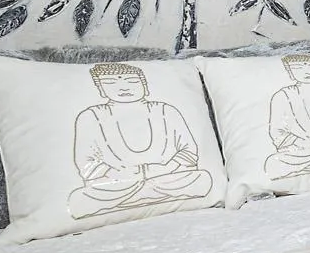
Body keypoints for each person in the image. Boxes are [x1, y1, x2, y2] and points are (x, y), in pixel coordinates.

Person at [69, 63, 214, 219]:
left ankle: (141, 197)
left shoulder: (165, 111)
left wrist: (166, 168)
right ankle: (146, 195)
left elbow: (188, 150)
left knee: (202, 179)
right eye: (111, 83)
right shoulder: (90, 116)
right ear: (100, 89)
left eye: (132, 81)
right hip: (118, 186)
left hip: (166, 179)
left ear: (144, 85)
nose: (124, 88)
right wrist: (117, 173)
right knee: (79, 199)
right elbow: (86, 161)